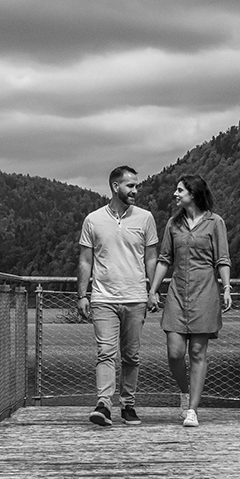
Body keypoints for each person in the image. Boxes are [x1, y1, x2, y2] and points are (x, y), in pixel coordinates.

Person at [146, 175, 231, 427]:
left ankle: (192, 409)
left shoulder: (215, 223)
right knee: (175, 353)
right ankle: (185, 392)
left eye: (180, 190)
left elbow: (222, 259)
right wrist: (153, 290)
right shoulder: (173, 224)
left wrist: (227, 288)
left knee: (197, 352)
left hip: (205, 292)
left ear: (192, 194)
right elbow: (164, 259)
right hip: (177, 292)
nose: (175, 193)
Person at [77, 165, 159, 427]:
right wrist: (82, 295)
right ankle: (103, 404)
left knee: (131, 356)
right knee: (105, 352)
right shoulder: (93, 220)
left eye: (136, 186)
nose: (136, 190)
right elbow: (85, 260)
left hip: (136, 297)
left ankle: (128, 405)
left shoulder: (146, 218)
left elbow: (151, 257)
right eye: (130, 186)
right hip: (103, 298)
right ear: (115, 186)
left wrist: (153, 291)